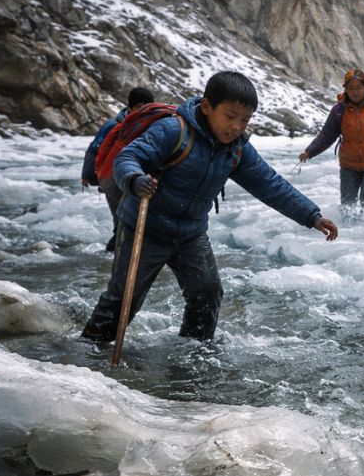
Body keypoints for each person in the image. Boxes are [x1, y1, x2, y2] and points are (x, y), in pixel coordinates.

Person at [82, 71, 339, 344]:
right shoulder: (174, 131)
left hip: (190, 234)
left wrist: (311, 215)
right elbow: (129, 157)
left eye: (245, 120)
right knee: (124, 298)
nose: (237, 126)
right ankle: (88, 350)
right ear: (206, 107)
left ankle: (194, 348)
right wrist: (134, 179)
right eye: (230, 116)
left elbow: (270, 184)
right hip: (144, 227)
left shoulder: (236, 149)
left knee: (207, 291)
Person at [298, 69, 364, 218]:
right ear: (345, 90)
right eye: (351, 88)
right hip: (349, 166)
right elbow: (327, 135)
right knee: (347, 206)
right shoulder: (339, 110)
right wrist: (310, 151)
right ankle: (348, 237)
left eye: (359, 88)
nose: (355, 92)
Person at [82, 86, 153, 251]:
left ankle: (118, 250)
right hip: (112, 180)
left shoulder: (149, 125)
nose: (142, 110)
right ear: (129, 107)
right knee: (122, 219)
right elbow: (95, 148)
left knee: (125, 220)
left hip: (131, 180)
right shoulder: (114, 125)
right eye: (138, 106)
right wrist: (88, 174)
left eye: (147, 106)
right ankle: (117, 251)